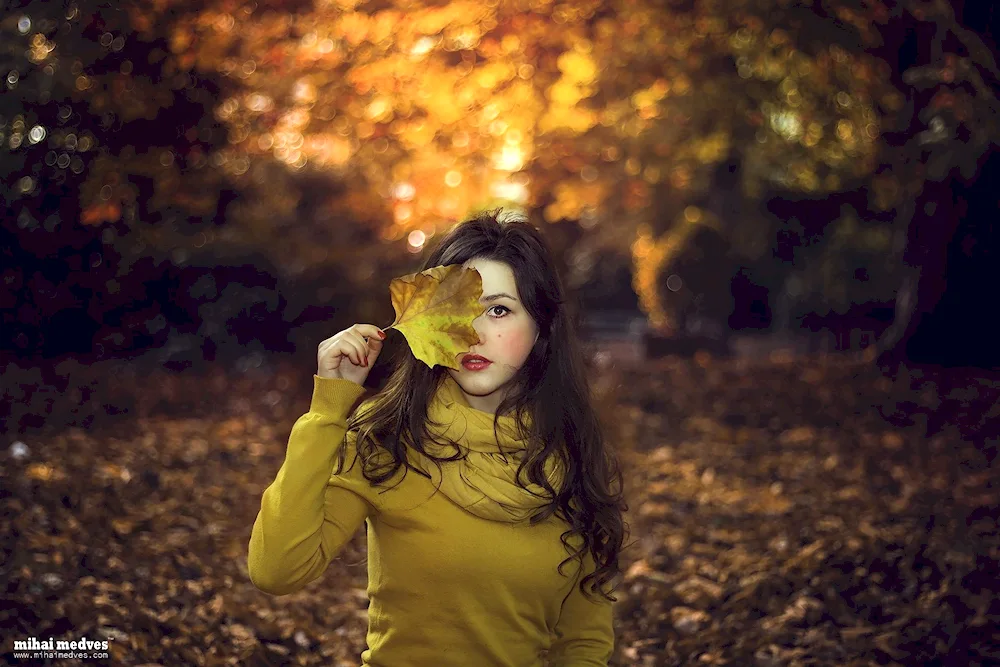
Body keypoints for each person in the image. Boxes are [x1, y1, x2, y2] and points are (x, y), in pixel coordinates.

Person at [248, 208, 629, 666]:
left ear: (541, 328)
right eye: (458, 309)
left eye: (498, 310)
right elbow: (277, 570)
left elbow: (584, 642)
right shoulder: (387, 438)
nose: (472, 331)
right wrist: (328, 408)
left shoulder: (575, 458)